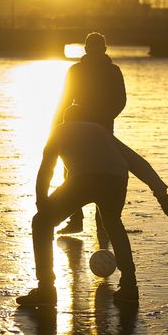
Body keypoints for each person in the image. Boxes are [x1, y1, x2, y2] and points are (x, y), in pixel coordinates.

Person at [16, 105, 168, 307]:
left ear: (64, 119)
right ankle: (130, 286)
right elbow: (137, 162)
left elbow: (46, 169)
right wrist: (163, 197)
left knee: (41, 223)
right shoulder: (101, 131)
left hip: (84, 179)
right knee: (113, 223)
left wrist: (41, 202)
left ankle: (46, 289)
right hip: (116, 178)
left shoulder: (59, 130)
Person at [52, 32, 126, 237]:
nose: (94, 52)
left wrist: (103, 118)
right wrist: (56, 125)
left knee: (102, 172)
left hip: (102, 128)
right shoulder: (75, 71)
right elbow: (65, 99)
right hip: (76, 127)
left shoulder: (113, 72)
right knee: (71, 171)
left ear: (104, 49)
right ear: (86, 50)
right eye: (92, 48)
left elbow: (120, 100)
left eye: (98, 48)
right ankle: (76, 220)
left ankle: (103, 223)